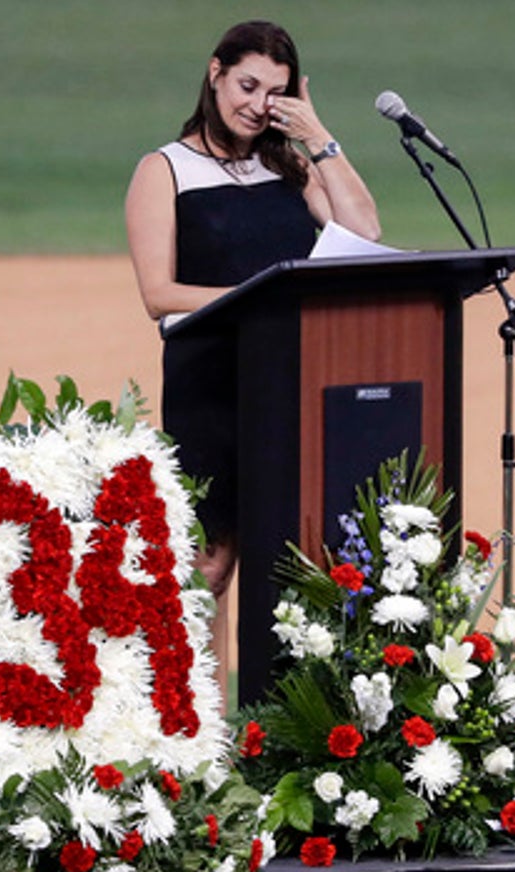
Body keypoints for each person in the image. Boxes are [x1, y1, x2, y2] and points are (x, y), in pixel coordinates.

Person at [124, 21, 380, 700]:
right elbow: (159, 292)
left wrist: (316, 134)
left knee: (291, 559)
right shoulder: (165, 169)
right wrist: (261, 297)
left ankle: (281, 732)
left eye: (275, 91)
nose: (256, 102)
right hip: (210, 388)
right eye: (246, 85)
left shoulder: (289, 167)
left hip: (290, 384)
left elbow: (365, 231)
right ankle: (199, 739)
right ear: (214, 74)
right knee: (208, 568)